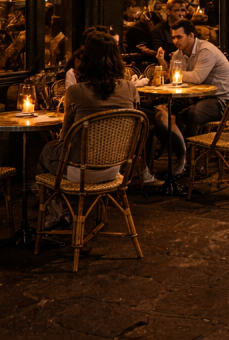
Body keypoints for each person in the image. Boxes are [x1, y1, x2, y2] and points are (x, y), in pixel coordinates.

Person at [37, 32, 160, 228]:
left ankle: (57, 212)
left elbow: (66, 136)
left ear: (86, 60)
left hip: (79, 173)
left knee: (46, 151)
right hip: (115, 170)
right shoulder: (130, 89)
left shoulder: (75, 91)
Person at [155, 19, 229, 163]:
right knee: (165, 111)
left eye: (179, 37)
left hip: (226, 101)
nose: (176, 41)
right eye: (174, 37)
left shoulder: (205, 50)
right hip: (202, 97)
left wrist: (170, 72)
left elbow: (196, 78)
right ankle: (182, 153)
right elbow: (176, 79)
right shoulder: (178, 54)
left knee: (191, 114)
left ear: (191, 36)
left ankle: (192, 156)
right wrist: (165, 66)